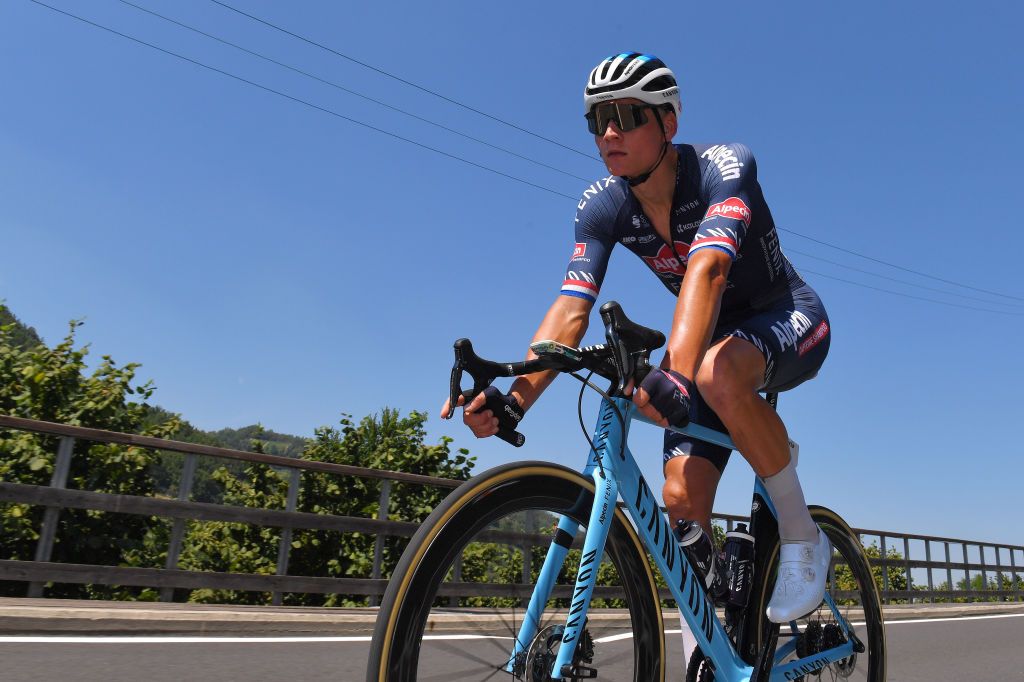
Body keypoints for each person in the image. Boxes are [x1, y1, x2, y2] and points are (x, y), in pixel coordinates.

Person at [441, 53, 833, 623]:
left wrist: (673, 372)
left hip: (786, 316)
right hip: (711, 341)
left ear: (668, 124)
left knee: (713, 373)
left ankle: (803, 536)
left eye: (626, 115)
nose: (609, 132)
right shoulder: (604, 206)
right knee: (679, 502)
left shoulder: (724, 168)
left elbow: (709, 272)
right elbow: (572, 308)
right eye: (597, 119)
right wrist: (515, 398)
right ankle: (713, 650)